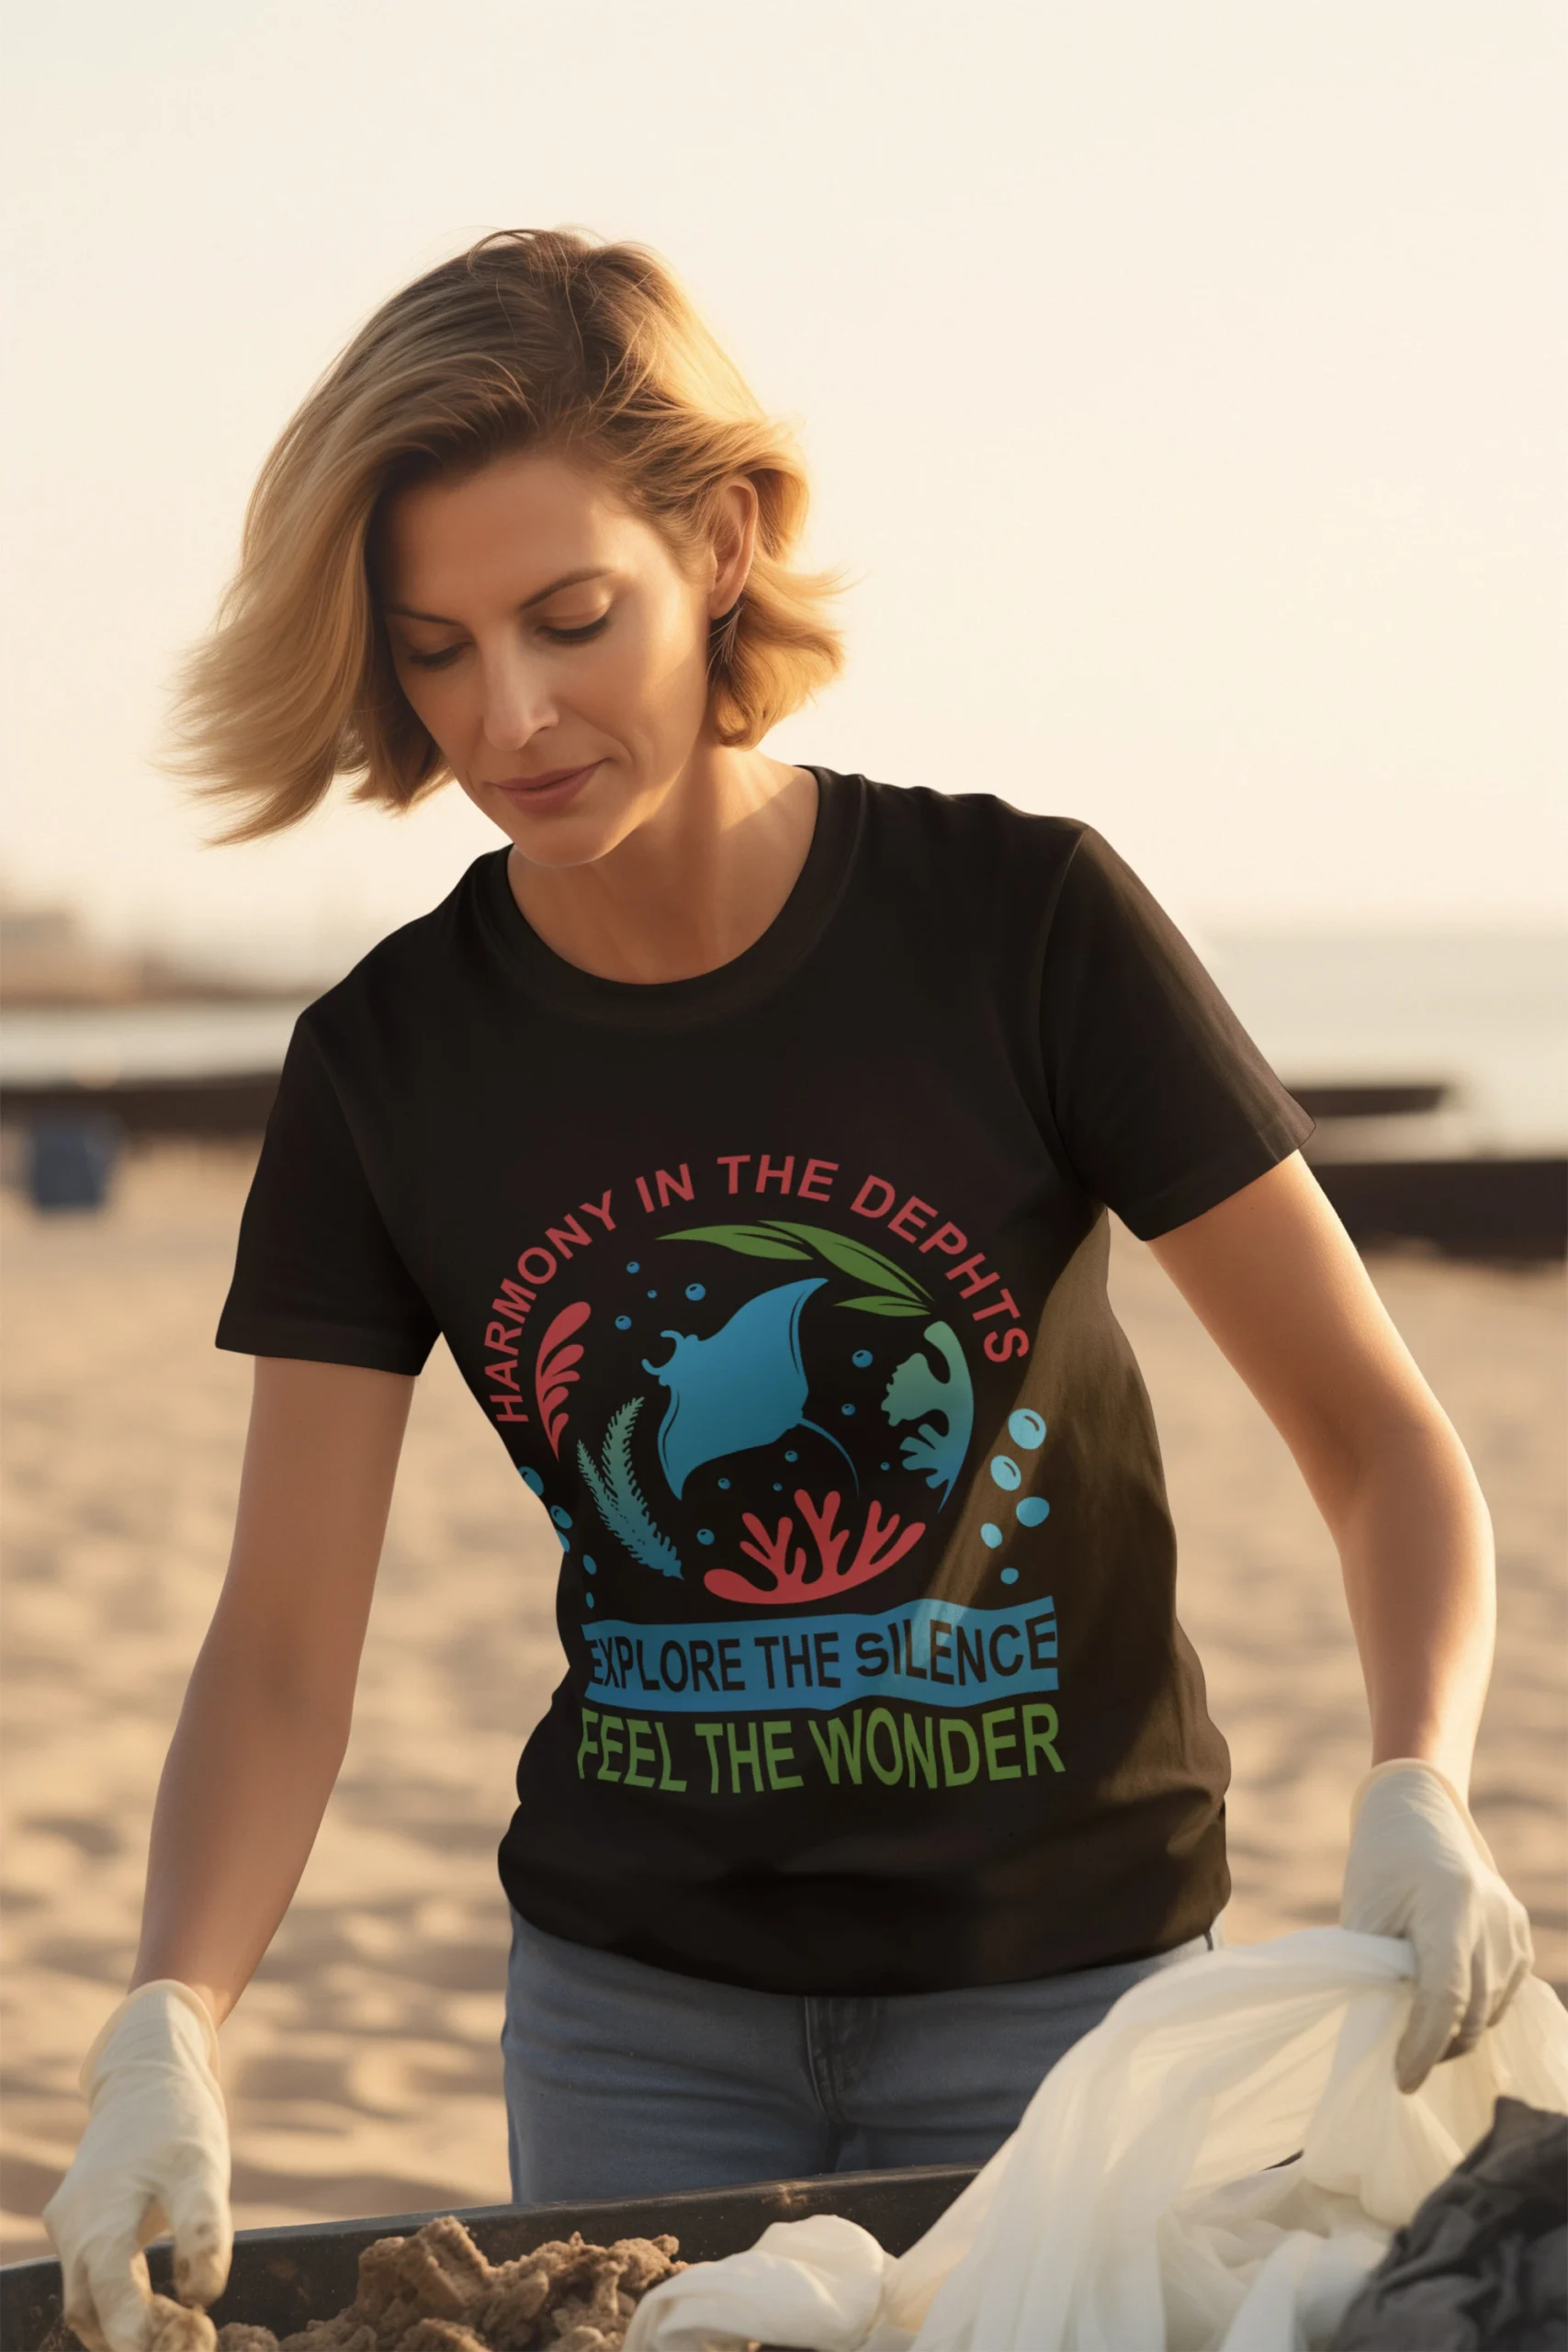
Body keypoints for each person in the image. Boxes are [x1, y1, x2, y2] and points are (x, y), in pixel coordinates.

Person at [44, 229, 1534, 2352]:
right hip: (630, 2020)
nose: (508, 715)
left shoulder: (1022, 926)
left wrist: (1418, 1783)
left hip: (1067, 1995)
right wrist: (168, 2016)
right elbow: (283, 1645)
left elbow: (1378, 1439)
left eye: (571, 618)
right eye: (437, 650)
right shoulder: (387, 1062)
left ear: (723, 540)